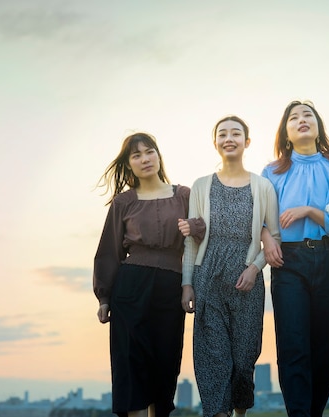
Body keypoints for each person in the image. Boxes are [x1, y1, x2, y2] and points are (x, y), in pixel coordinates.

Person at [93, 132, 205, 417]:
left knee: (166, 362)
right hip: (131, 287)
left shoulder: (183, 195)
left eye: (149, 151)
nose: (145, 159)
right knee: (131, 361)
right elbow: (109, 251)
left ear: (158, 155)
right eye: (136, 155)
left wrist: (195, 228)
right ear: (129, 164)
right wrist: (104, 297)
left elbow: (202, 238)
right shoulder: (123, 202)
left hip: (171, 284)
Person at [260, 100, 329, 417]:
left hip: (327, 257)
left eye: (308, 116)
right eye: (294, 117)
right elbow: (259, 217)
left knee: (327, 345)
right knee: (293, 343)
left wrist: (309, 211)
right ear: (286, 133)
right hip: (286, 261)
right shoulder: (271, 172)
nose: (302, 120)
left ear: (318, 128)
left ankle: (314, 412)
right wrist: (266, 239)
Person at [181, 115, 280, 417]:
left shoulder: (263, 186)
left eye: (236, 133)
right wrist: (187, 282)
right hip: (207, 275)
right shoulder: (200, 186)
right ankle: (218, 413)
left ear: (246, 142)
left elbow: (273, 237)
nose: (229, 138)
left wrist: (254, 268)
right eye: (222, 134)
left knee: (243, 356)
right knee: (213, 356)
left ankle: (239, 413)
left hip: (247, 280)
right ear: (215, 143)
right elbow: (192, 239)